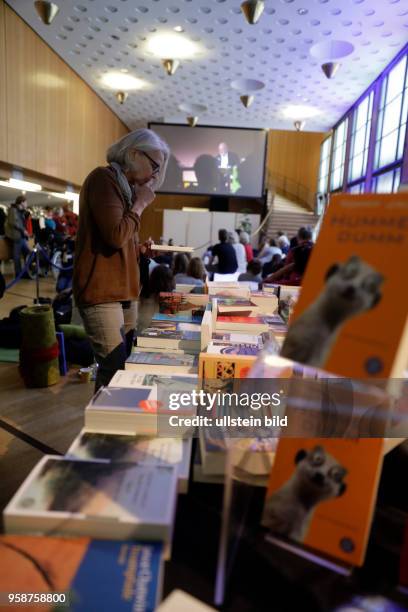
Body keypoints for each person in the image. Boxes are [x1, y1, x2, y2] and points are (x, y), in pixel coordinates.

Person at [73, 128, 169, 390]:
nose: (154, 176)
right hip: (102, 292)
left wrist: (140, 249)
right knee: (113, 370)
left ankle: (110, 428)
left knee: (123, 365)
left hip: (125, 291)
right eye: (154, 166)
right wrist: (139, 207)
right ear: (134, 153)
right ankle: (102, 431)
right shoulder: (103, 179)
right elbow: (115, 236)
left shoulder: (126, 190)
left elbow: (119, 242)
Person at [5, 196, 31, 277]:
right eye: (25, 202)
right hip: (16, 236)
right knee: (17, 256)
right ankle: (19, 273)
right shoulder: (13, 210)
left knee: (28, 253)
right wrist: (23, 230)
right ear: (22, 202)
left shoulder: (20, 211)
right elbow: (14, 222)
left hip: (21, 236)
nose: (26, 204)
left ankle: (25, 271)